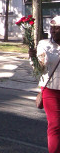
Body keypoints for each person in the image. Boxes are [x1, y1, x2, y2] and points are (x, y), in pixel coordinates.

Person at [37, 16, 60, 152]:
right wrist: (34, 59)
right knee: (55, 126)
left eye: (56, 28)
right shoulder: (44, 44)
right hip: (50, 89)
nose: (52, 31)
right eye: (51, 28)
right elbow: (39, 69)